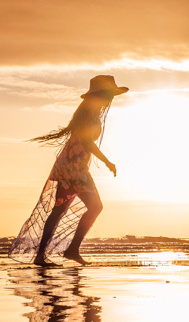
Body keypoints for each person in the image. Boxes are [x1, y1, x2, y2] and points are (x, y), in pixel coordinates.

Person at [9, 75, 128, 266]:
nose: (111, 98)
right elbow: (87, 142)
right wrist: (107, 161)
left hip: (70, 165)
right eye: (109, 94)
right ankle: (70, 250)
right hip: (74, 168)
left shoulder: (90, 112)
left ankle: (43, 255)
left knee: (59, 210)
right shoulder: (88, 114)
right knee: (95, 206)